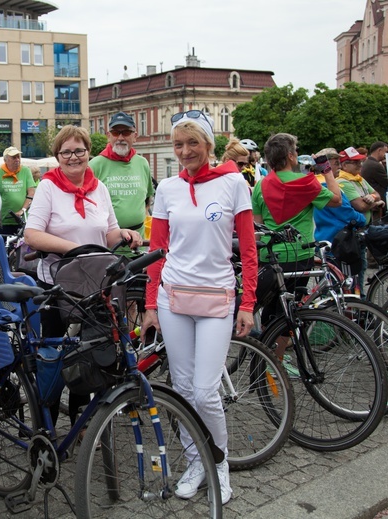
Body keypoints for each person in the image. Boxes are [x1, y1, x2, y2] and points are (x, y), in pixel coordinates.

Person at [139, 111, 257, 505]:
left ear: (208, 145)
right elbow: (157, 251)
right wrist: (150, 303)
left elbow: (249, 248)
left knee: (206, 392)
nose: (185, 150)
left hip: (217, 298)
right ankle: (195, 461)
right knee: (184, 390)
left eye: (193, 143)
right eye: (179, 144)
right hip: (173, 298)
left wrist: (249, 302)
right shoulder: (168, 188)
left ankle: (219, 465)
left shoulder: (233, 183)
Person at [24, 125, 142, 427]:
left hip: (94, 286)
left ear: (88, 153)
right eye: (66, 152)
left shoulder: (98, 187)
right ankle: (45, 424)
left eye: (79, 151)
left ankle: (82, 423)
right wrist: (75, 249)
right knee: (52, 356)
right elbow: (33, 235)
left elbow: (109, 230)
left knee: (90, 356)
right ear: (57, 156)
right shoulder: (48, 187)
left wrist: (124, 234)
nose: (73, 157)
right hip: (56, 286)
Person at [252, 133, 341, 326]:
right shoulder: (306, 183)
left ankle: (266, 350)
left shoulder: (260, 186)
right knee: (287, 314)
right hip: (300, 254)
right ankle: (278, 355)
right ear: (291, 156)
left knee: (270, 309)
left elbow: (258, 227)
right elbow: (337, 199)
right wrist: (326, 170)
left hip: (270, 257)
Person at [89, 111, 154, 238]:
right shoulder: (95, 165)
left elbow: (147, 198)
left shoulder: (142, 163)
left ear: (135, 136)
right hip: (107, 243)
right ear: (108, 136)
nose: (120, 138)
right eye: (115, 132)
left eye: (126, 132)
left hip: (138, 242)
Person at [337, 146, 384, 290]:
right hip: (351, 233)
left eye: (360, 162)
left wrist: (373, 198)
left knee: (361, 268)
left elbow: (376, 193)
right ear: (344, 165)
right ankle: (356, 301)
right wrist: (375, 203)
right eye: (355, 162)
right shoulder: (343, 182)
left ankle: (360, 299)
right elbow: (360, 206)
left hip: (362, 229)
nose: (360, 165)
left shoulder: (359, 179)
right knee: (356, 270)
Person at [0, 146, 36, 235]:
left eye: (18, 157)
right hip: (3, 220)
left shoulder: (25, 170)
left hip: (22, 219)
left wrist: (23, 210)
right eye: (14, 157)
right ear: (5, 160)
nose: (17, 159)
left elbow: (31, 192)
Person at [360, 141, 388, 216]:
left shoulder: (368, 162)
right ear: (379, 150)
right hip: (377, 205)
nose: (385, 155)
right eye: (385, 152)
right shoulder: (375, 165)